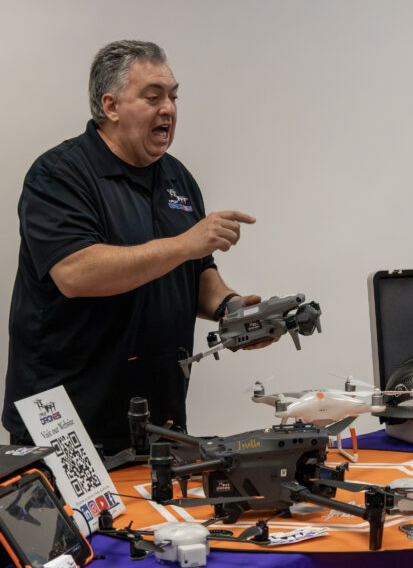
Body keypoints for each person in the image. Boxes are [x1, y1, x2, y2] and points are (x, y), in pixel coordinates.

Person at [3, 40, 268, 456]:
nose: (169, 109)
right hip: (68, 425)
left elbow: (197, 269)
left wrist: (232, 310)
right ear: (110, 106)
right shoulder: (58, 174)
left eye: (173, 97)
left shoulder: (178, 178)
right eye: (153, 97)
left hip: (159, 424)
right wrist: (184, 243)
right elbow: (75, 273)